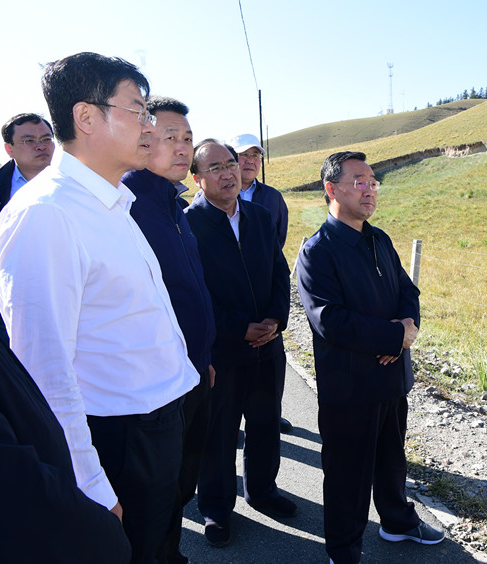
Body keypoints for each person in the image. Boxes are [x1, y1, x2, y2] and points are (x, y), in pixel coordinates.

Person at [0, 52, 199, 564]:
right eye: (138, 111)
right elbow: (43, 369)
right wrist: (91, 485)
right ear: (86, 117)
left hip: (162, 418)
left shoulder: (112, 202)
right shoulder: (47, 214)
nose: (150, 126)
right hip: (119, 440)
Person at [0, 101, 131, 564]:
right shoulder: (26, 207)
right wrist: (91, 506)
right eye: (29, 140)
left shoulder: (102, 200)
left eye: (46, 137)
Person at [296, 151, 444, 563]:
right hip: (350, 386)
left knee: (392, 461)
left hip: (392, 378)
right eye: (359, 181)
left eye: (373, 182)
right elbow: (330, 321)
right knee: (348, 475)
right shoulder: (317, 251)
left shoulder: (379, 239)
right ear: (331, 189)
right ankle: (343, 549)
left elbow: (407, 292)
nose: (370, 190)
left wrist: (405, 331)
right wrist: (393, 336)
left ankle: (397, 522)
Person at [185, 139, 294, 547]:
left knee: (265, 422)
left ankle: (262, 490)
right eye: (214, 167)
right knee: (218, 431)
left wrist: (275, 319)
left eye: (231, 163)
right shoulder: (189, 225)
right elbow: (193, 294)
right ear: (197, 179)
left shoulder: (259, 216)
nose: (227, 172)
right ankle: (215, 508)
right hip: (222, 352)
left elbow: (279, 271)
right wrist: (238, 328)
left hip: (268, 346)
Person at [122, 96, 216, 564]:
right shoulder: (128, 205)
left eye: (187, 138)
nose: (182, 148)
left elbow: (189, 287)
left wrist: (204, 359)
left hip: (193, 374)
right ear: (143, 137)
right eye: (170, 137)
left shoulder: (173, 205)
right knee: (153, 501)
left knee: (181, 485)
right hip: (157, 386)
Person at [228, 132, 292, 434]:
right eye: (243, 155)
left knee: (268, 368)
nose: (250, 161)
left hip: (264, 296)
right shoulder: (214, 196)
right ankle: (233, 423)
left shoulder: (272, 198)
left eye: (256, 155)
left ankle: (270, 414)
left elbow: (278, 243)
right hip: (230, 299)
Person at [0, 112, 55, 341]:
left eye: (46, 139)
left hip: (65, 297)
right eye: (28, 140)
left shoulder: (74, 186)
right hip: (12, 305)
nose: (40, 146)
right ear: (9, 149)